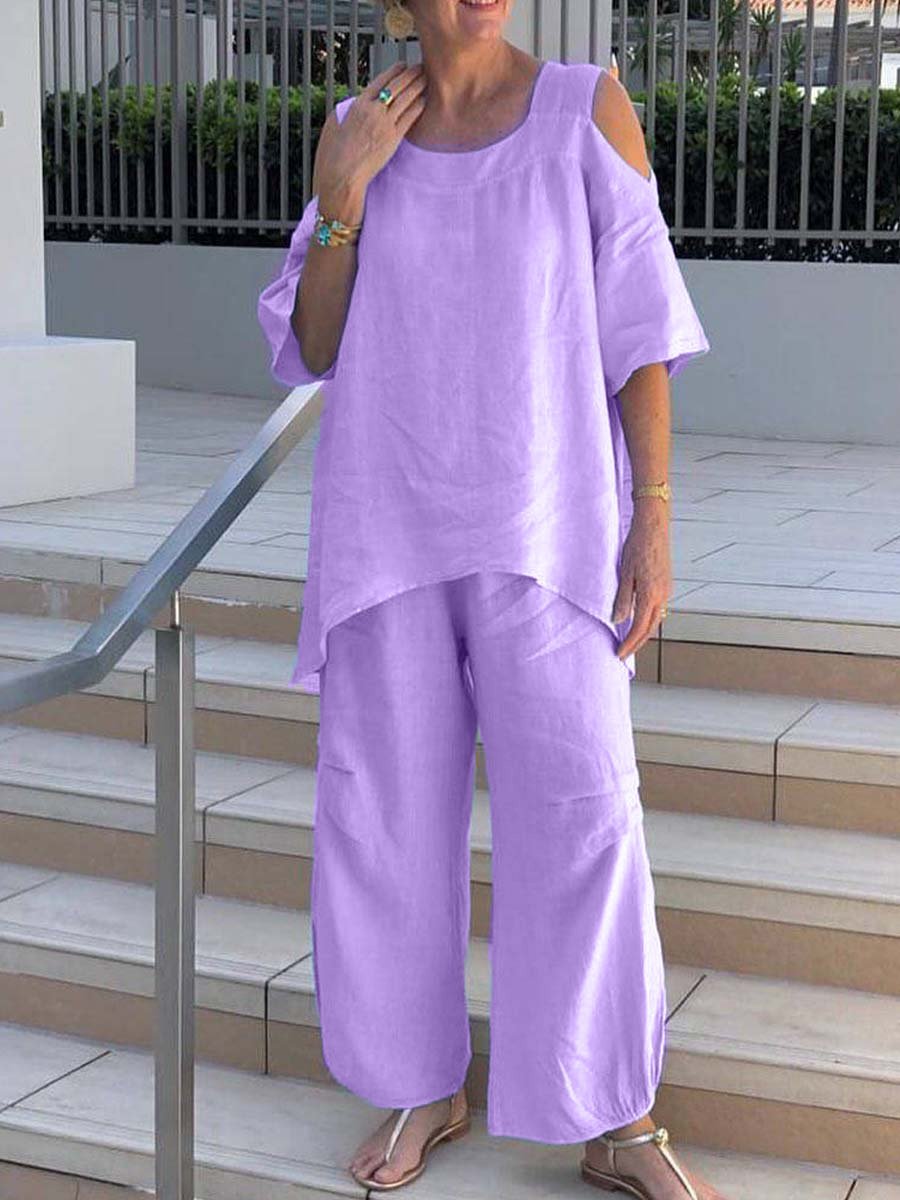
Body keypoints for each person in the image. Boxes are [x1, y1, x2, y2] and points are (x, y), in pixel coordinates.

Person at [258, 3, 723, 1198]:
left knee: (584, 815)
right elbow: (315, 343)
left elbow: (639, 330)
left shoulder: (583, 109)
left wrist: (653, 516)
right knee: (384, 825)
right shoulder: (362, 125)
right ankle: (423, 1082)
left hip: (550, 532)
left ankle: (615, 1117)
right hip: (387, 531)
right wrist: (343, 197)